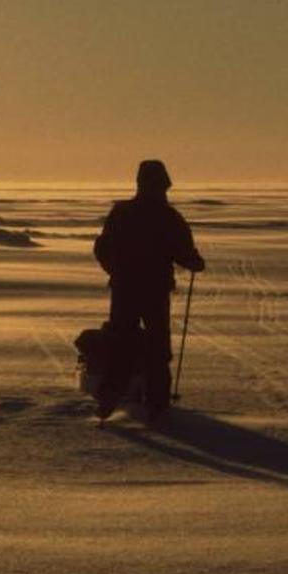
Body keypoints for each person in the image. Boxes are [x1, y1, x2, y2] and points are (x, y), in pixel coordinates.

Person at [92, 160, 205, 422]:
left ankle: (110, 396)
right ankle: (157, 403)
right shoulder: (168, 217)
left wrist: (115, 270)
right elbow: (184, 251)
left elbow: (102, 248)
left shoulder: (122, 212)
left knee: (121, 340)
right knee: (156, 344)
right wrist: (195, 263)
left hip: (125, 288)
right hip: (154, 290)